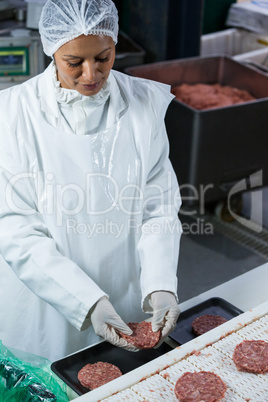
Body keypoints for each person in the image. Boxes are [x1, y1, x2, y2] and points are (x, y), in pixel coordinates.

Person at [0, 0, 182, 362]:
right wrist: (86, 302)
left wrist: (161, 284)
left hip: (127, 289)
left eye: (103, 57)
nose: (91, 74)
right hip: (46, 300)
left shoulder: (144, 103)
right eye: (74, 63)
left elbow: (158, 205)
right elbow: (16, 229)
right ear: (52, 51)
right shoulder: (13, 115)